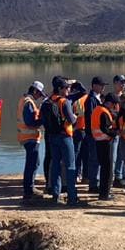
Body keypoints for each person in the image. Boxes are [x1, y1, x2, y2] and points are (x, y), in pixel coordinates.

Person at [42, 77, 81, 205]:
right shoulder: (64, 102)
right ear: (60, 89)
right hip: (65, 136)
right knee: (70, 166)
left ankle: (55, 195)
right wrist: (75, 117)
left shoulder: (47, 101)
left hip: (52, 136)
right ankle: (72, 196)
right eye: (66, 88)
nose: (68, 90)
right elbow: (72, 120)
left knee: (56, 166)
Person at [16, 81, 46, 205]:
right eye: (39, 94)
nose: (39, 96)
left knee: (34, 162)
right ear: (35, 91)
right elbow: (30, 122)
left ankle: (30, 188)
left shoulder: (24, 100)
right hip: (30, 137)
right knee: (32, 164)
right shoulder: (28, 102)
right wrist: (43, 119)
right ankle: (28, 191)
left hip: (27, 136)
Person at [90, 93, 120, 200]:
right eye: (114, 104)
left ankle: (103, 193)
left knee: (103, 168)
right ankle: (105, 194)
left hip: (98, 141)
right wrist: (116, 132)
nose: (115, 107)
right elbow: (105, 129)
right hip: (105, 142)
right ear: (110, 103)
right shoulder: (103, 112)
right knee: (107, 169)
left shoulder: (97, 109)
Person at [80, 77, 106, 192]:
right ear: (94, 85)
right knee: (94, 159)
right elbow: (91, 117)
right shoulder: (91, 100)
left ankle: (95, 182)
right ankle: (93, 184)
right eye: (101, 85)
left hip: (96, 134)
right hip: (93, 135)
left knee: (97, 159)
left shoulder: (97, 98)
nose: (103, 87)